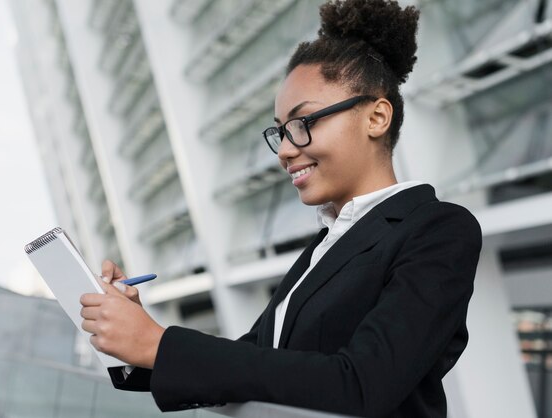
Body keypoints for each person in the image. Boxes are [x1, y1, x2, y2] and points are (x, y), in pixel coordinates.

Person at [79, 0, 482, 416]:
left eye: (303, 124)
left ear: (377, 117)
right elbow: (254, 360)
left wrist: (159, 344)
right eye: (281, 131)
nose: (286, 150)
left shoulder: (438, 229)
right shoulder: (329, 243)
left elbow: (362, 385)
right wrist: (138, 339)